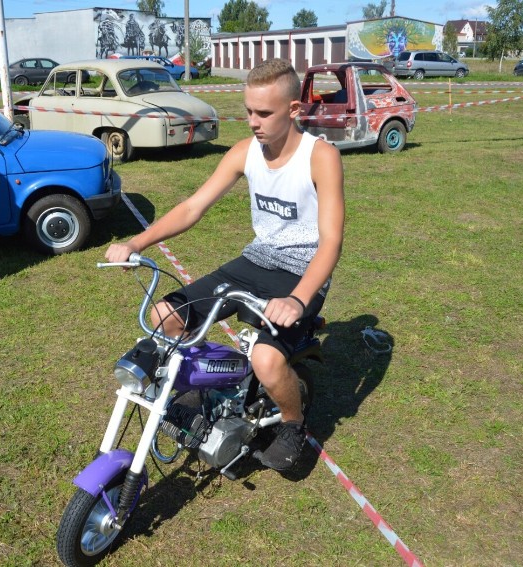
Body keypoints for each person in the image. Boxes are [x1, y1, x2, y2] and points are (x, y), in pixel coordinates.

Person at [105, 59, 345, 471]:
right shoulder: (244, 152)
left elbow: (331, 241)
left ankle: (292, 423)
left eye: (265, 113)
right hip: (256, 260)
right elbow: (193, 206)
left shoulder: (319, 157)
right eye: (249, 111)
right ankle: (220, 385)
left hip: (301, 272)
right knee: (166, 316)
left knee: (268, 360)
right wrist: (136, 241)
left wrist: (299, 299)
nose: (253, 122)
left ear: (293, 110)